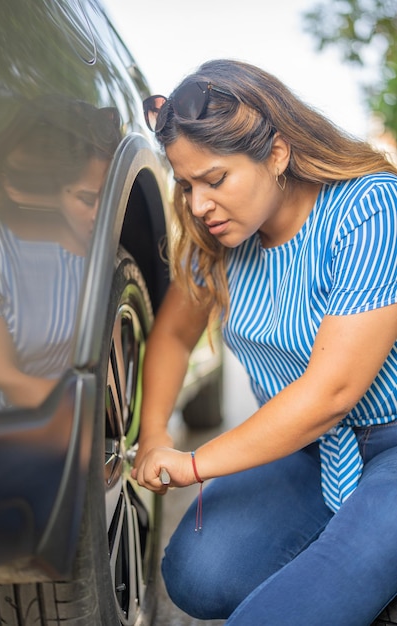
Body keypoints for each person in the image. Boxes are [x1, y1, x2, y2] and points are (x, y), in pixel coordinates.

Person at [133, 59, 397, 625]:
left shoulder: (371, 205)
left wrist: (196, 464)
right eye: (186, 184)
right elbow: (176, 336)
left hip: (392, 444)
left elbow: (332, 392)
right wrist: (155, 434)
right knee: (196, 576)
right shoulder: (224, 240)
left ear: (276, 153)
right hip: (305, 449)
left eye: (215, 179)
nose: (198, 205)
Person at [0, 96, 120, 410]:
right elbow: (2, 376)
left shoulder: (101, 251)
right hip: (18, 428)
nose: (102, 214)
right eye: (86, 199)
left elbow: (113, 368)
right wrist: (91, 414)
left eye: (108, 197)